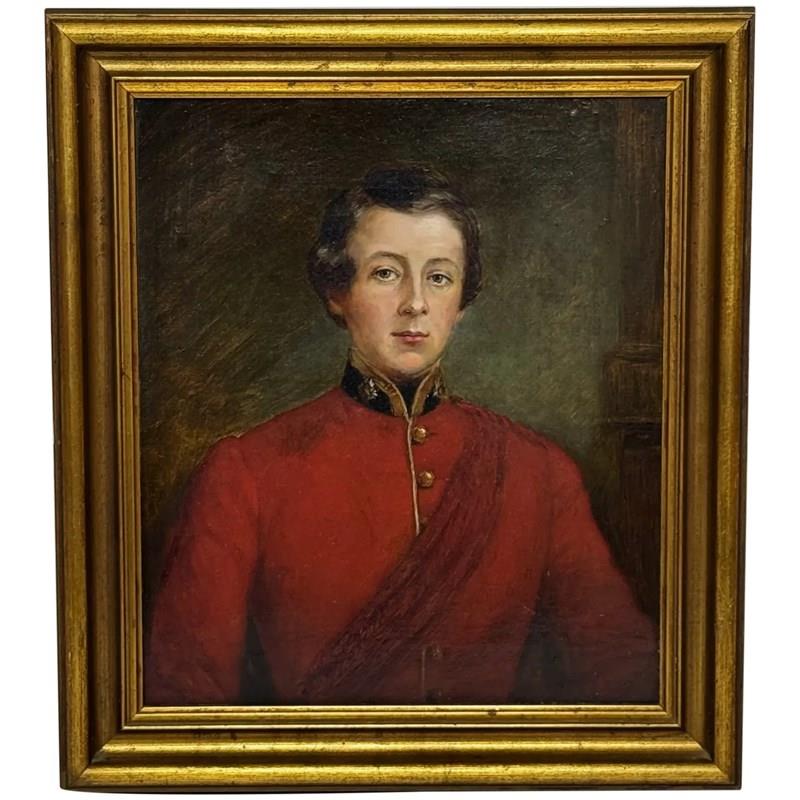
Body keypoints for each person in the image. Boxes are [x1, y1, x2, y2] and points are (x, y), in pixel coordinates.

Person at [146, 164, 657, 706]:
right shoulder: (247, 472)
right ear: (337, 292)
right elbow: (186, 696)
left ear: (461, 303)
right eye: (386, 273)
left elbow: (621, 670)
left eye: (439, 277)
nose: (415, 303)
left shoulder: (540, 470)